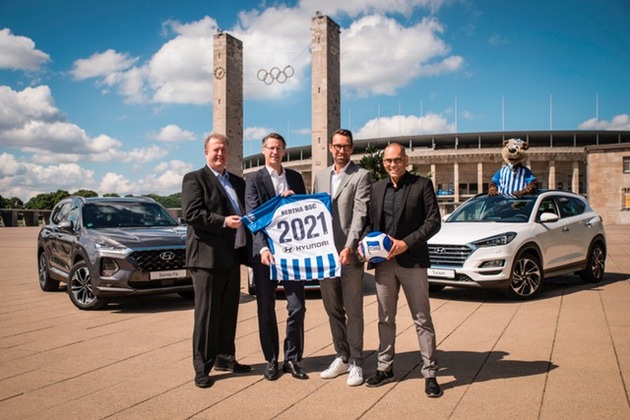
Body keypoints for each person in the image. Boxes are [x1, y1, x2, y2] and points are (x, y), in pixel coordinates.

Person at [359, 142, 443, 398]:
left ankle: (430, 373)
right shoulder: (377, 188)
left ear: (406, 160)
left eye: (397, 160)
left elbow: (433, 222)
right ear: (383, 162)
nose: (392, 164)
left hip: (412, 261)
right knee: (385, 318)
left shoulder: (422, 185)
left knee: (422, 319)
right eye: (388, 161)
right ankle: (385, 368)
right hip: (384, 264)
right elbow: (370, 223)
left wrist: (406, 243)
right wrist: (364, 244)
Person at [181, 133, 251, 388]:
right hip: (207, 260)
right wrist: (223, 222)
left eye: (223, 149)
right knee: (207, 315)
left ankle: (225, 358)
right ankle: (202, 368)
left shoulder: (237, 182)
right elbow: (192, 213)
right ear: (206, 153)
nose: (220, 153)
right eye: (215, 150)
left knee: (228, 313)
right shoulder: (194, 179)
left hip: (232, 257)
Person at [245, 132, 308, 381]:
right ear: (263, 150)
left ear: (284, 151)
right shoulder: (253, 179)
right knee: (266, 308)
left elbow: (304, 212)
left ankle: (292, 358)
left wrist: (295, 202)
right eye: (270, 147)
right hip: (265, 254)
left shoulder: (295, 177)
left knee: (297, 307)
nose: (275, 152)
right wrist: (262, 248)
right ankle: (271, 359)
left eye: (279, 148)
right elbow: (253, 216)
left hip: (291, 254)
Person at [312, 129, 371, 386]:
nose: (341, 150)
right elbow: (313, 211)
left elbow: (360, 214)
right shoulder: (320, 176)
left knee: (353, 310)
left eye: (345, 146)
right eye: (337, 146)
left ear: (352, 148)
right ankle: (342, 356)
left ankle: (357, 361)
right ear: (330, 147)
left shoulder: (361, 175)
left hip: (350, 255)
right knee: (332, 309)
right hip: (326, 257)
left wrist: (349, 246)